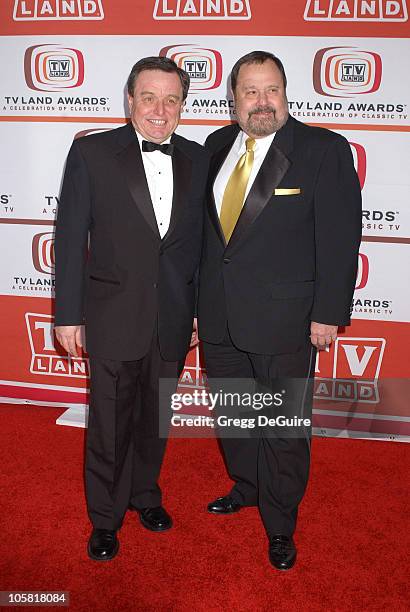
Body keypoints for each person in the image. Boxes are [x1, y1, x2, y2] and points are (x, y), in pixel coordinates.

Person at [198, 51, 362, 570]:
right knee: (236, 417)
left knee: (285, 427)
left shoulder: (322, 150)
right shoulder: (217, 144)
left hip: (287, 320)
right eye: (250, 91)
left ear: (287, 94)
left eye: (271, 90)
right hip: (221, 316)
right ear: (233, 99)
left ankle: (281, 522)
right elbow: (211, 240)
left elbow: (340, 238)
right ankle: (247, 486)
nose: (261, 101)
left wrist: (328, 312)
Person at [54, 56, 209, 561]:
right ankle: (105, 517)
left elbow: (203, 245)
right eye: (149, 97)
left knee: (153, 419)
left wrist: (199, 314)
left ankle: (145, 496)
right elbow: (71, 235)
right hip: (111, 313)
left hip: (172, 317)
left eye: (171, 99)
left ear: (183, 106)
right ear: (129, 99)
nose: (159, 110)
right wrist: (68, 315)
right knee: (109, 423)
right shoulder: (93, 153)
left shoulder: (198, 157)